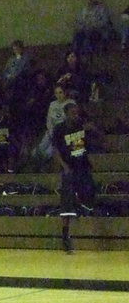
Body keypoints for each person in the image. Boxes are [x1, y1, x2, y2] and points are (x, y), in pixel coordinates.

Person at [53, 100, 100, 254]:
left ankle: (83, 206)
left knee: (90, 190)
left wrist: (91, 129)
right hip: (69, 168)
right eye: (73, 113)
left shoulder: (82, 125)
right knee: (66, 204)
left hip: (82, 166)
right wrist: (64, 166)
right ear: (66, 114)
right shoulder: (59, 129)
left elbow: (90, 142)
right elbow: (56, 150)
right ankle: (65, 236)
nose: (76, 115)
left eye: (77, 112)